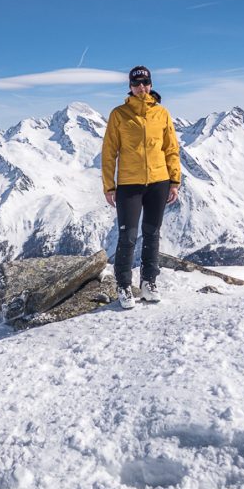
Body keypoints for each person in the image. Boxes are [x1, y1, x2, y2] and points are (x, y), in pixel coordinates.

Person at [101, 66, 181, 309]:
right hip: (129, 183)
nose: (141, 88)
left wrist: (174, 181)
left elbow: (171, 148)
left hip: (159, 181)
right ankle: (124, 286)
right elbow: (109, 152)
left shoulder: (162, 113)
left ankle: (148, 283)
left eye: (145, 83)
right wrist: (109, 185)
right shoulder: (119, 114)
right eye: (136, 84)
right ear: (130, 86)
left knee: (152, 233)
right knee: (127, 236)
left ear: (150, 84)